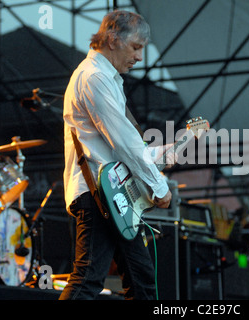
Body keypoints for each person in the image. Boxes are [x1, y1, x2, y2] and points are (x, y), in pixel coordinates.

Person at [61, 10, 173, 300]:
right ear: (112, 39)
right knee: (88, 280)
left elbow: (124, 144)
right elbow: (124, 143)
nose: (139, 57)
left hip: (114, 195)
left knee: (142, 282)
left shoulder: (105, 78)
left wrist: (164, 153)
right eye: (136, 47)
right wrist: (158, 186)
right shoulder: (93, 77)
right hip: (99, 193)